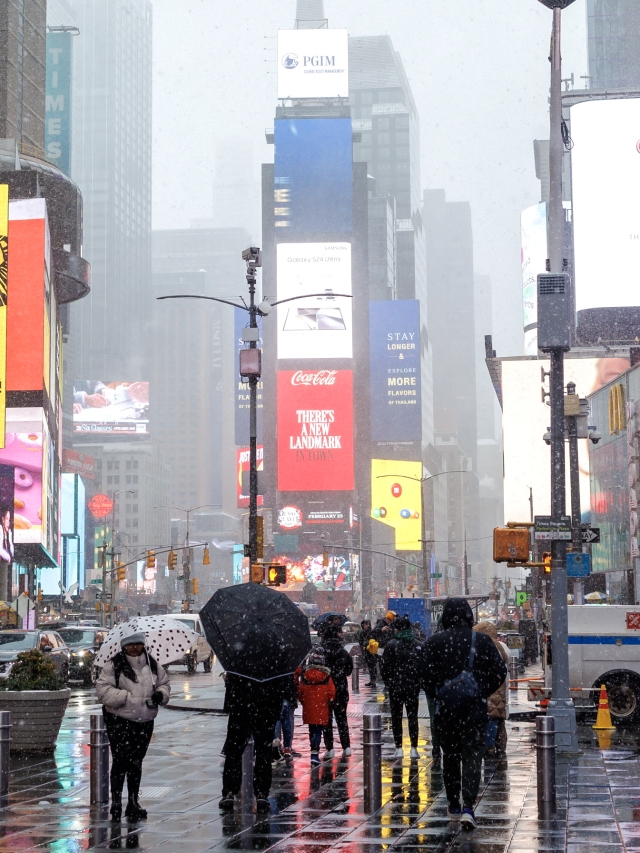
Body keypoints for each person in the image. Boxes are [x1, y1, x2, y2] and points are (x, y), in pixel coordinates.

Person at [422, 598, 506, 830]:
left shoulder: (434, 642)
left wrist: (440, 692)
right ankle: (468, 806)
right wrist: (481, 691)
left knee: (450, 756)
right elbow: (499, 672)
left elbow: (424, 676)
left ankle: (453, 805)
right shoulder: (482, 641)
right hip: (474, 709)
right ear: (469, 616)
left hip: (446, 710)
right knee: (472, 756)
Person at [96, 633, 171, 821]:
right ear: (124, 647)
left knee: (136, 762)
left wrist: (160, 695)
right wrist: (126, 698)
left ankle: (133, 801)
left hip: (144, 720)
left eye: (138, 644)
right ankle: (116, 802)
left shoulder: (152, 665)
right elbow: (103, 690)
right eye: (130, 644)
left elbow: (164, 684)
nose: (134, 647)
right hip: (120, 720)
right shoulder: (114, 665)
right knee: (120, 761)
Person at [219, 672, 290, 812]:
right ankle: (261, 793)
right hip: (265, 710)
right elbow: (280, 686)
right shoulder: (273, 663)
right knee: (263, 753)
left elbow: (232, 685)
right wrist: (275, 710)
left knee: (234, 752)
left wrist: (230, 704)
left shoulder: (239, 662)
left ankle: (229, 792)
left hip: (241, 709)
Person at [381, 615, 423, 759]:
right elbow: (422, 666)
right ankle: (414, 748)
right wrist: (417, 681)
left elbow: (384, 666)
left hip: (396, 687)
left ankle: (398, 747)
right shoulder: (417, 644)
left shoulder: (391, 645)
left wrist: (389, 682)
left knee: (396, 717)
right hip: (412, 687)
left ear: (397, 629)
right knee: (413, 717)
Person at [473, 622, 509, 755]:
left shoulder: (486, 646)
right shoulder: (502, 646)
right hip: (500, 687)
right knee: (498, 717)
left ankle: (489, 746)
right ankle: (500, 745)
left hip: (491, 687)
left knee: (491, 717)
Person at [296, 647, 336, 766]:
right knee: (318, 731)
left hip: (309, 708)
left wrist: (304, 701)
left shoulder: (305, 675)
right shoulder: (326, 676)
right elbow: (332, 692)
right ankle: (315, 754)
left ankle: (313, 751)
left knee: (312, 730)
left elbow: (300, 691)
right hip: (322, 707)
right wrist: (328, 701)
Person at [320, 628, 353, 758]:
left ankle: (330, 748)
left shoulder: (322, 653)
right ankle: (346, 747)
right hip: (341, 688)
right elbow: (349, 670)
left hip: (326, 689)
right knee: (342, 718)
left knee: (326, 720)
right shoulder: (343, 652)